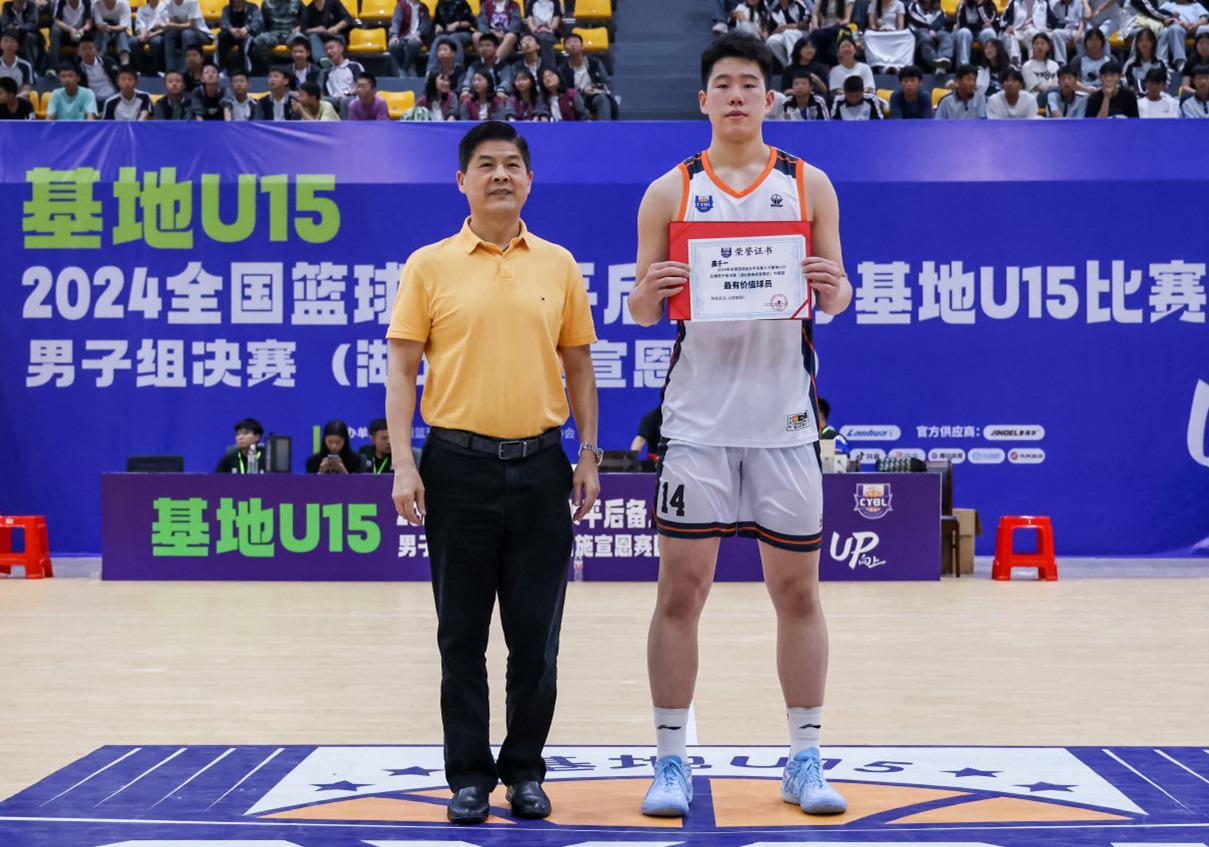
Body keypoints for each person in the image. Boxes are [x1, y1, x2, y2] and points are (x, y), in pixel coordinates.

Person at [627, 31, 852, 821]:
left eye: (748, 84)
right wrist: (647, 293)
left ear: (769, 98)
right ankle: (669, 760)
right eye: (721, 83)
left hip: (785, 423)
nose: (734, 95)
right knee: (679, 592)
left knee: (797, 591)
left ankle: (804, 755)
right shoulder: (669, 192)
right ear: (702, 99)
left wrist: (834, 284)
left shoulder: (807, 184)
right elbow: (641, 309)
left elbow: (835, 296)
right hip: (697, 425)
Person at [385, 120, 600, 825]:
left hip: (541, 467)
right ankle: (470, 776)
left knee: (536, 637)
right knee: (461, 636)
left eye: (512, 164)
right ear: (462, 181)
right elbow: (402, 369)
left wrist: (588, 453)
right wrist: (403, 463)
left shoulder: (558, 265)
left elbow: (578, 367)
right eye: (485, 164)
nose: (500, 174)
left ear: (529, 180)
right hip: (456, 468)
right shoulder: (429, 265)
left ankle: (526, 770)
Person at [557, 31, 616, 120]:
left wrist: (595, 88)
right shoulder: (562, 69)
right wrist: (582, 91)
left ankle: (604, 127)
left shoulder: (595, 63)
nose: (572, 45)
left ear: (582, 46)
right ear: (565, 49)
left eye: (575, 41)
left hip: (592, 97)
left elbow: (606, 83)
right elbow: (563, 90)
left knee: (602, 99)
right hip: (574, 99)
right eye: (568, 43)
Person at [864, 0, 915, 71]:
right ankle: (881, 64)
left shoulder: (899, 4)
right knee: (867, 35)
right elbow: (872, 24)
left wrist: (893, 31)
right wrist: (880, 30)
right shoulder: (873, 5)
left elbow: (900, 26)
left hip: (894, 33)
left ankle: (898, 65)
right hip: (879, 34)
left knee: (909, 35)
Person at [161, 0, 210, 73]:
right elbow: (173, 22)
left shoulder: (192, 2)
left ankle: (185, 70)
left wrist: (171, 25)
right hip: (182, 31)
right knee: (169, 33)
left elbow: (191, 24)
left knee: (187, 34)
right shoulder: (169, 3)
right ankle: (170, 69)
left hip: (200, 32)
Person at [252, 0, 300, 73]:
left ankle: (295, 69)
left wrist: (300, 27)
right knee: (258, 40)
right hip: (273, 33)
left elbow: (304, 19)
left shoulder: (297, 2)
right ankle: (270, 68)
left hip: (291, 32)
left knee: (300, 39)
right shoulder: (266, 3)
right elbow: (263, 23)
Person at [1160, 0, 1209, 72]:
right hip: (1179, 27)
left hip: (1196, 27)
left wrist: (1195, 25)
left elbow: (1205, 18)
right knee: (1174, 28)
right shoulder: (1168, 4)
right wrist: (1181, 24)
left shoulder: (1195, 4)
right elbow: (1162, 18)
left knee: (1207, 28)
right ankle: (1181, 62)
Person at [999, 0, 1052, 65]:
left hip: (1034, 30)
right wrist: (1008, 25)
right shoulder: (1014, 2)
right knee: (1008, 35)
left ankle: (1033, 62)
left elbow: (1052, 18)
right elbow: (1005, 17)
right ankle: (1015, 61)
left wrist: (1050, 26)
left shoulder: (1043, 2)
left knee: (1033, 34)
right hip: (1017, 30)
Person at [427, 0, 475, 73]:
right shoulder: (440, 3)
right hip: (445, 33)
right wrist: (437, 26)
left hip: (463, 32)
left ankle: (457, 67)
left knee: (453, 38)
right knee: (438, 39)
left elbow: (470, 23)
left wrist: (457, 24)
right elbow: (436, 22)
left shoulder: (462, 3)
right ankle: (431, 70)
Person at [300, 0, 351, 66]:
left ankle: (336, 65)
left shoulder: (333, 2)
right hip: (320, 39)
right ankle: (323, 62)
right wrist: (316, 29)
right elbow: (303, 30)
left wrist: (336, 28)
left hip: (336, 36)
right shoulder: (308, 9)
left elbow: (347, 19)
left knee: (332, 44)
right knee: (313, 37)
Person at [908, 0, 954, 72]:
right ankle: (936, 63)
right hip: (918, 31)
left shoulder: (938, 9)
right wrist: (930, 29)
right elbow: (915, 18)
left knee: (945, 35)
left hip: (935, 31)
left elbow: (941, 20)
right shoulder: (913, 6)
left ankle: (944, 58)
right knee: (925, 38)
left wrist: (933, 29)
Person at [321, 34, 363, 112]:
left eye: (331, 48)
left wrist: (346, 94)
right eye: (326, 49)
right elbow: (324, 94)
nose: (328, 51)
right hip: (334, 101)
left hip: (352, 99)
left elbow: (361, 86)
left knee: (345, 101)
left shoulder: (354, 66)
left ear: (341, 48)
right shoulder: (327, 73)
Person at [389, 0, 432, 75]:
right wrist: (394, 36)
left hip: (418, 37)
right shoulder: (401, 4)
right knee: (393, 46)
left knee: (413, 44)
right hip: (402, 36)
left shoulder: (423, 8)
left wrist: (418, 33)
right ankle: (408, 68)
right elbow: (396, 21)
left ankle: (404, 69)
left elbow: (425, 24)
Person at [217, 0, 261, 73]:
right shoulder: (226, 9)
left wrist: (246, 28)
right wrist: (231, 29)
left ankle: (245, 70)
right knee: (222, 36)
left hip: (246, 34)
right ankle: (221, 68)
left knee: (246, 40)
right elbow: (223, 22)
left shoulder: (253, 8)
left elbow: (257, 22)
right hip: (231, 34)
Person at [49, 0, 93, 71]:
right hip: (65, 31)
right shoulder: (61, 2)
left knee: (90, 33)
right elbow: (57, 21)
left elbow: (89, 23)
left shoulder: (86, 2)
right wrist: (70, 29)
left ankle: (86, 66)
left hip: (80, 32)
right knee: (55, 31)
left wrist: (81, 30)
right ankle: (55, 67)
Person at [460, 29, 505, 96]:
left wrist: (500, 91)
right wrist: (466, 90)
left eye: (487, 45)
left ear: (496, 48)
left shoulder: (504, 66)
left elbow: (506, 81)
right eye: (481, 46)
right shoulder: (474, 65)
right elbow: (468, 79)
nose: (484, 49)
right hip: (478, 96)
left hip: (498, 96)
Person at [74, 33, 117, 102]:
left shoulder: (109, 62)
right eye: (84, 49)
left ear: (96, 50)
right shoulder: (77, 68)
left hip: (112, 97)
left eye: (90, 48)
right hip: (93, 101)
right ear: (79, 52)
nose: (87, 52)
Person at [766, 0, 810, 66]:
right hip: (784, 34)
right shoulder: (775, 11)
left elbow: (807, 23)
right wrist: (777, 30)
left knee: (788, 33)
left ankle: (794, 62)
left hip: (802, 33)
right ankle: (788, 66)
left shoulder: (798, 4)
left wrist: (796, 26)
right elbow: (771, 31)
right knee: (771, 41)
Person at [953, 0, 998, 66]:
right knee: (963, 32)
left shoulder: (989, 3)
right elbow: (959, 23)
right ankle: (963, 67)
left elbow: (989, 21)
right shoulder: (963, 4)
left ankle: (990, 66)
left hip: (981, 32)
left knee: (989, 32)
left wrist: (980, 5)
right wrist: (978, 26)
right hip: (967, 31)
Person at [810, 0, 855, 64]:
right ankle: (817, 62)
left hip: (840, 28)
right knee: (815, 34)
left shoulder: (847, 1)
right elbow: (814, 15)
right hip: (824, 28)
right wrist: (815, 26)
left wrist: (841, 22)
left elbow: (847, 19)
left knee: (833, 33)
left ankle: (832, 60)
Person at [1122, 26, 1166, 91]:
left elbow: (1166, 82)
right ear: (1137, 44)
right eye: (1141, 40)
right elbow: (1125, 82)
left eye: (1148, 40)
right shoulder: (1130, 64)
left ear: (1153, 43)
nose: (1144, 43)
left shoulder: (1161, 62)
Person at [0, 0, 40, 69]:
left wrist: (20, 28)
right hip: (11, 33)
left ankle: (31, 68)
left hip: (26, 33)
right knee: (4, 37)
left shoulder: (32, 6)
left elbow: (33, 24)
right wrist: (13, 26)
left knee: (28, 37)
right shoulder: (7, 6)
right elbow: (5, 23)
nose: (19, 3)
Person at [521, 0, 560, 67]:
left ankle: (549, 68)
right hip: (535, 31)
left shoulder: (555, 2)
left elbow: (556, 21)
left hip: (550, 32)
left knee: (544, 38)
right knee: (530, 40)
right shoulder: (531, 2)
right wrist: (534, 29)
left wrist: (548, 28)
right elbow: (530, 21)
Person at [131, 0, 165, 74]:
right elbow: (140, 24)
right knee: (133, 41)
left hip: (158, 33)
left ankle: (156, 68)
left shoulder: (165, 7)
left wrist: (153, 34)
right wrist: (143, 34)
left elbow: (166, 26)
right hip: (144, 33)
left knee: (156, 42)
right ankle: (141, 68)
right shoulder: (142, 9)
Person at [0, 28, 33, 96]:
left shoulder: (25, 66)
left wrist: (12, 98)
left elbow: (26, 90)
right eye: (5, 41)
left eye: (12, 41)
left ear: (17, 45)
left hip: (17, 99)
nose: (9, 44)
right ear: (0, 44)